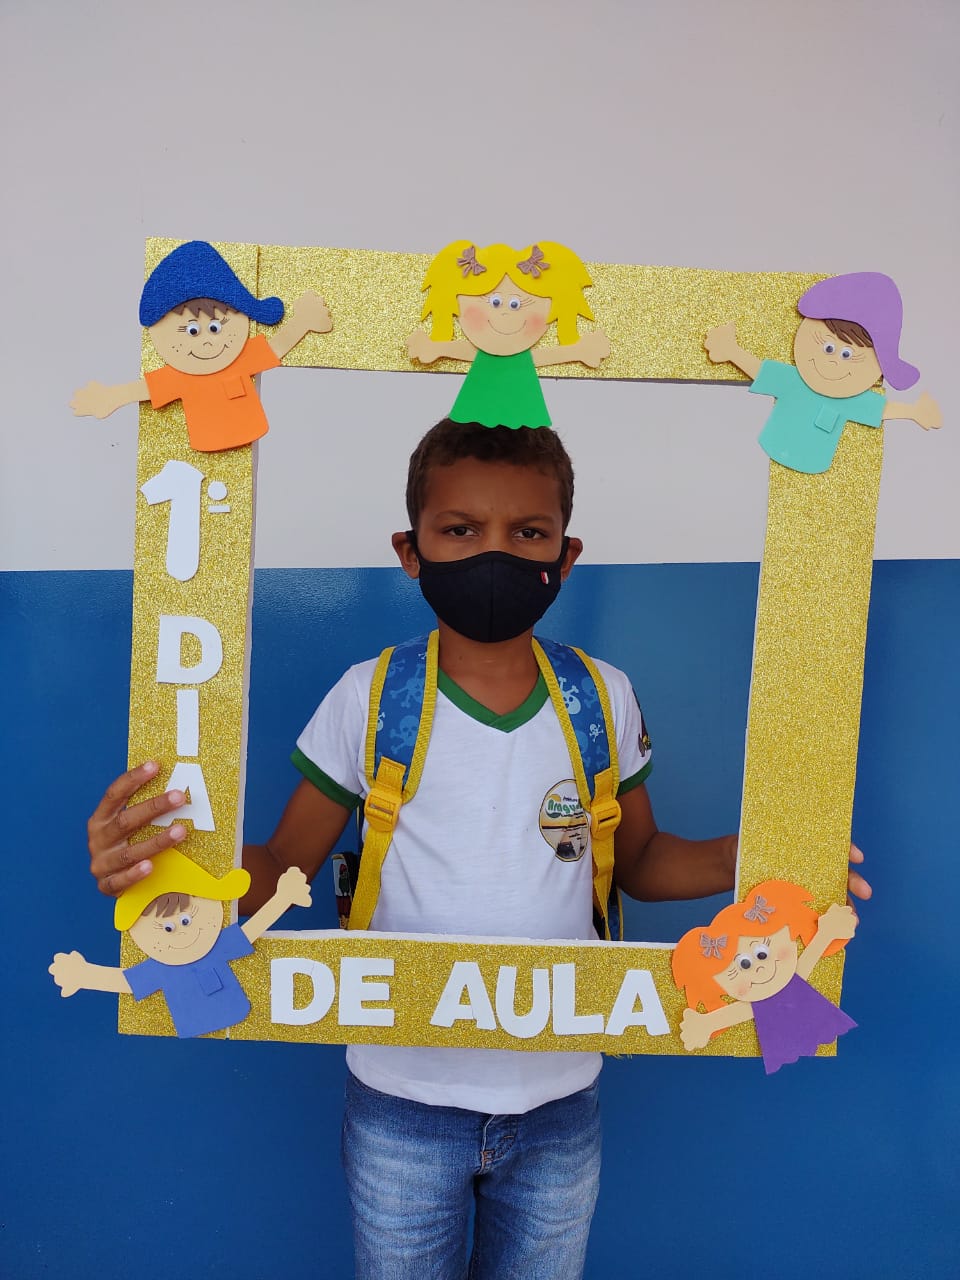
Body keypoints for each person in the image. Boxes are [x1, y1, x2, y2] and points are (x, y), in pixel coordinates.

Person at [85, 419, 870, 1279]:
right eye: (460, 530)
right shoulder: (368, 697)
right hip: (401, 1096)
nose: (494, 553)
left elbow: (640, 863)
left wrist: (757, 858)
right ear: (410, 550)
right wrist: (167, 869)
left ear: (565, 556)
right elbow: (283, 869)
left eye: (527, 533)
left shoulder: (602, 697)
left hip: (562, 1092)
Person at [70, 239, 332, 452]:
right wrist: (111, 397)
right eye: (192, 331)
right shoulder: (180, 375)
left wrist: (303, 322)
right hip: (207, 440)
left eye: (215, 327)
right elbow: (147, 389)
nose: (207, 339)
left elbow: (275, 348)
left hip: (250, 429)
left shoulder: (240, 358)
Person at [50, 849, 311, 1038]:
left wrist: (283, 898)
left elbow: (251, 931)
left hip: (234, 1012)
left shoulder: (216, 944)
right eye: (167, 927)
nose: (182, 933)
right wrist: (83, 975)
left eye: (186, 920)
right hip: (195, 1024)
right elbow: (126, 981)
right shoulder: (160, 968)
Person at [704, 270, 941, 474]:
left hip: (813, 464)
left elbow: (879, 409)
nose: (834, 362)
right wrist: (732, 351)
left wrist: (913, 412)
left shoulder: (851, 399)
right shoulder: (794, 380)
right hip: (773, 444)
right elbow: (762, 371)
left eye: (847, 354)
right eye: (828, 347)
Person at [407, 241, 610, 428]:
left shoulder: (521, 358)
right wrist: (437, 348)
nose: (504, 313)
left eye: (516, 304)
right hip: (474, 415)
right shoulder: (485, 353)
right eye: (494, 302)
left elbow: (544, 356)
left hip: (523, 418)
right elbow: (466, 351)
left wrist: (578, 351)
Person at [673, 879, 858, 1074]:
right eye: (742, 966)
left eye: (762, 953)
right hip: (782, 1034)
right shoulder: (761, 1000)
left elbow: (802, 969)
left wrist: (826, 934)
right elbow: (743, 1010)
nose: (759, 968)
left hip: (813, 1020)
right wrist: (706, 1024)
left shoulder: (788, 983)